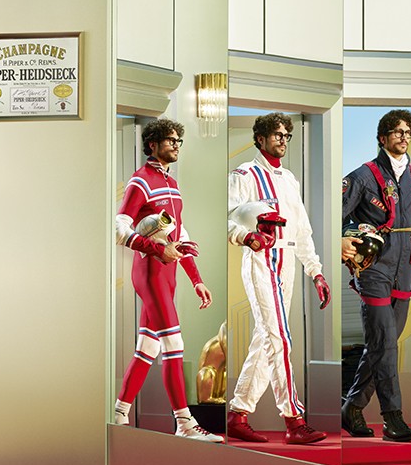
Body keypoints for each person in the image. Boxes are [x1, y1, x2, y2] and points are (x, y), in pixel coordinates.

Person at [111, 117, 221, 440]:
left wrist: (196, 279)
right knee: (174, 344)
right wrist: (157, 249)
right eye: (170, 140)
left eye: (178, 141)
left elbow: (179, 235)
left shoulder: (172, 184)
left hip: (168, 274)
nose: (176, 145)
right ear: (153, 144)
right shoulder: (141, 180)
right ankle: (184, 423)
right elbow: (119, 228)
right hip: (149, 273)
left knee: (148, 348)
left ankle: (118, 414)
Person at [224, 113, 331, 445]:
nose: (283, 140)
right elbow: (226, 218)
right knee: (280, 339)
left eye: (287, 135)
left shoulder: (289, 179)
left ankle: (237, 415)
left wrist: (315, 271)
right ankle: (294, 420)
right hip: (261, 260)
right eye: (277, 135)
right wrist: (247, 237)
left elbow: (302, 231)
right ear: (260, 138)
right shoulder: (244, 174)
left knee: (266, 339)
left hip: (288, 262)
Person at [339, 109, 411, 441]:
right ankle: (392, 418)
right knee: (383, 343)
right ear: (383, 138)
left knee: (383, 344)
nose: (404, 137)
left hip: (405, 271)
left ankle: (352, 407)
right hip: (374, 269)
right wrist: (342, 239)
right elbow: (334, 214)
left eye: (408, 132)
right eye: (397, 132)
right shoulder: (363, 176)